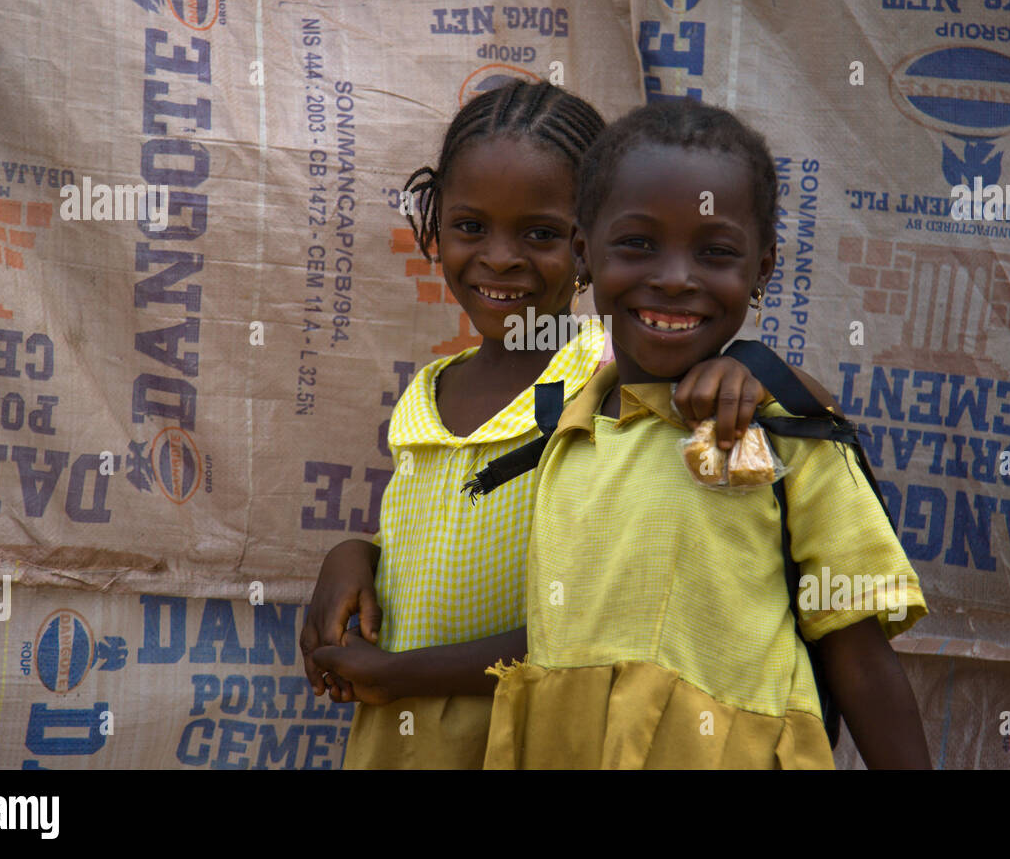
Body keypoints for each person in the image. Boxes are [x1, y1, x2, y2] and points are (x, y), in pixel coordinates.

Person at [301, 80, 772, 768]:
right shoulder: (428, 394)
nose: (499, 258)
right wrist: (353, 555)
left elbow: (602, 624)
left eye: (540, 234)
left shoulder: (615, 374)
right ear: (434, 225)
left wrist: (747, 370)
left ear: (589, 243)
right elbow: (429, 540)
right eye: (470, 227)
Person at [482, 99, 932, 769]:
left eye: (715, 252)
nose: (673, 278)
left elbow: (860, 659)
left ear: (763, 269)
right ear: (584, 252)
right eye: (637, 244)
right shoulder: (563, 433)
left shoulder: (786, 437)